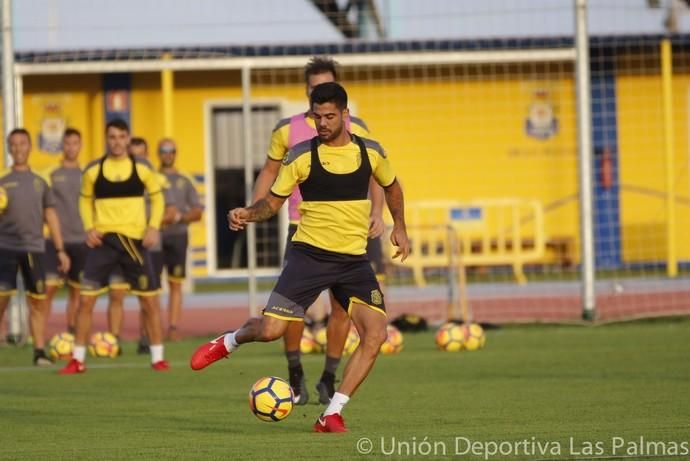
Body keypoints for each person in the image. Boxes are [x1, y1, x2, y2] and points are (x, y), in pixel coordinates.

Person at [190, 82, 409, 433]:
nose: (322, 123)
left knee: (375, 334)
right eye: (316, 116)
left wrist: (399, 226)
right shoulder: (301, 156)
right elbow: (273, 203)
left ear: (345, 116)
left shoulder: (371, 152)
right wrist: (248, 212)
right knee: (271, 330)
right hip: (309, 256)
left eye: (329, 116)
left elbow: (392, 186)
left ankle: (331, 414)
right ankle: (229, 341)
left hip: (353, 261)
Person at [252, 55, 386, 406]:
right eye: (313, 89)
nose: (318, 96)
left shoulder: (358, 128)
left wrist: (379, 212)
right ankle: (295, 373)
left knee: (343, 310)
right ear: (307, 92)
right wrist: (254, 208)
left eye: (324, 87)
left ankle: (329, 375)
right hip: (302, 227)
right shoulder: (287, 129)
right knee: (292, 309)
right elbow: (268, 171)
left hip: (348, 230)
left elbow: (375, 173)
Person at [60, 119, 169, 374]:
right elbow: (84, 201)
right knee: (86, 301)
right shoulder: (93, 171)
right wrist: (89, 227)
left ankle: (157, 358)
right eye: (112, 137)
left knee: (150, 302)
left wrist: (153, 226)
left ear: (128, 139)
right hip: (104, 243)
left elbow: (158, 198)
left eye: (121, 137)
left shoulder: (142, 170)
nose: (117, 141)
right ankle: (77, 359)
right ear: (106, 139)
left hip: (134, 242)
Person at [0, 128, 70, 365]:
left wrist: (60, 250)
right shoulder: (2, 181)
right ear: (9, 148)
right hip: (5, 247)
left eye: (22, 143)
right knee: (2, 298)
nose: (18, 148)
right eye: (14, 144)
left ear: (29, 147)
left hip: (34, 248)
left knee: (38, 301)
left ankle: (39, 351)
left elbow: (51, 216)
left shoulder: (41, 182)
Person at [107, 137, 176, 353]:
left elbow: (171, 211)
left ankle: (146, 339)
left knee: (147, 297)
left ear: (147, 156)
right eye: (133, 154)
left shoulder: (158, 180)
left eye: (141, 154)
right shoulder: (118, 177)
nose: (137, 159)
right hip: (121, 243)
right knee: (116, 293)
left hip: (149, 248)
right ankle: (113, 342)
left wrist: (152, 227)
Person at [156, 138, 204, 341]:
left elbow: (197, 211)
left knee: (175, 283)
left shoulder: (185, 180)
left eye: (171, 150)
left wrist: (178, 218)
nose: (168, 154)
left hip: (178, 236)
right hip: (155, 237)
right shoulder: (151, 178)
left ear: (176, 153)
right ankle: (153, 328)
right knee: (151, 286)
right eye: (164, 150)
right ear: (158, 153)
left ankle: (173, 327)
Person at [43, 128, 88, 334]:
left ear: (80, 146)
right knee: (48, 290)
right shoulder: (51, 173)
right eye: (68, 143)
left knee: (77, 292)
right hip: (55, 241)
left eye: (75, 143)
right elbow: (43, 206)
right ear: (63, 145)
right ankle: (39, 335)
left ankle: (72, 334)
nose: (71, 147)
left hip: (81, 241)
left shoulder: (87, 174)